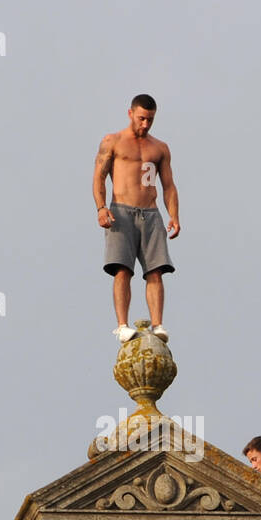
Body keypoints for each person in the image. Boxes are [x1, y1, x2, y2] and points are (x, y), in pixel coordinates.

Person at [92, 94, 180, 343]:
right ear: (130, 113)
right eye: (141, 118)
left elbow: (169, 185)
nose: (145, 124)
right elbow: (99, 177)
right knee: (122, 269)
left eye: (150, 120)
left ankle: (158, 324)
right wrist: (101, 208)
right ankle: (122, 325)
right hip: (121, 211)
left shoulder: (159, 148)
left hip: (150, 214)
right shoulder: (113, 141)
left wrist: (174, 215)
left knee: (156, 271)